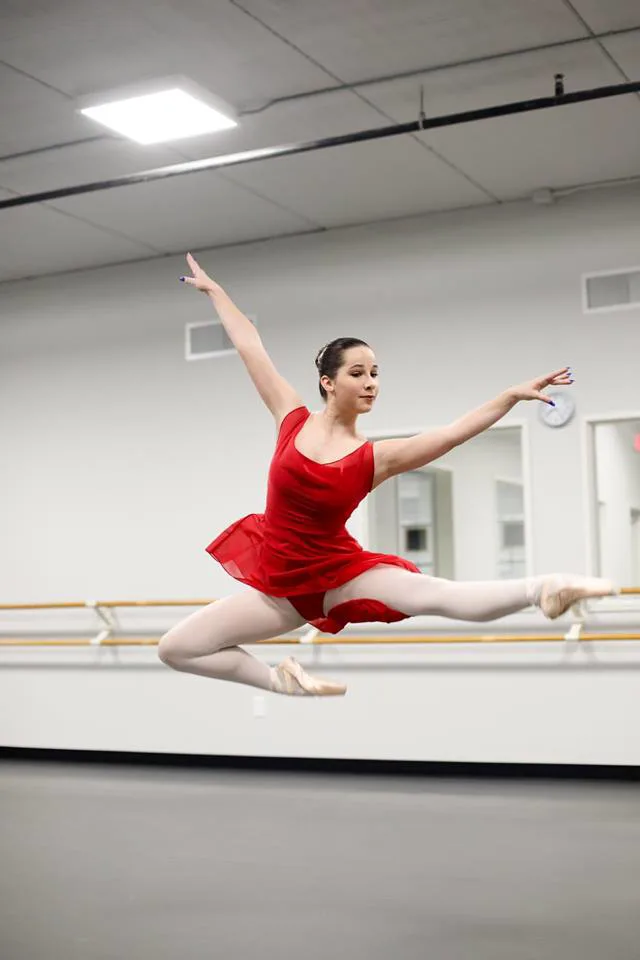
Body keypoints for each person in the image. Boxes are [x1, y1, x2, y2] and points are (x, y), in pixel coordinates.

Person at [158, 253, 616, 697]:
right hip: (280, 584)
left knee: (436, 595)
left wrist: (509, 397)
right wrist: (216, 292)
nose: (371, 382)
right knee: (177, 648)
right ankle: (281, 681)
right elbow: (249, 344)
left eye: (376, 373)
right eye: (358, 372)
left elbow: (452, 434)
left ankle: (545, 588)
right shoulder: (290, 417)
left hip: (339, 575)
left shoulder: (375, 457)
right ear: (328, 382)